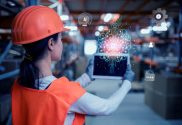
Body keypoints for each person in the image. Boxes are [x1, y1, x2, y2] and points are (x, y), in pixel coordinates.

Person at [11, 5, 135, 125]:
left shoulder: (18, 84)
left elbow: (62, 95)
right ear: (51, 44)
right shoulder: (62, 92)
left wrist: (87, 77)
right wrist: (127, 83)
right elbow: (107, 107)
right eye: (60, 39)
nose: (62, 43)